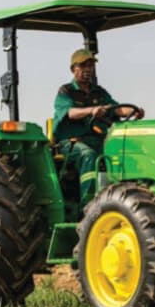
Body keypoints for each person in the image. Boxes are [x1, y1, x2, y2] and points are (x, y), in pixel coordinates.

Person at [53, 49, 145, 209]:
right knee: (89, 155)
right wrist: (91, 110)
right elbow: (70, 113)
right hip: (71, 142)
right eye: (83, 66)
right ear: (73, 69)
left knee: (124, 152)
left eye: (90, 65)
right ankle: (88, 205)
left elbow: (116, 108)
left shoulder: (99, 92)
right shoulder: (66, 91)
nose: (87, 69)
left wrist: (133, 111)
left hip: (98, 139)